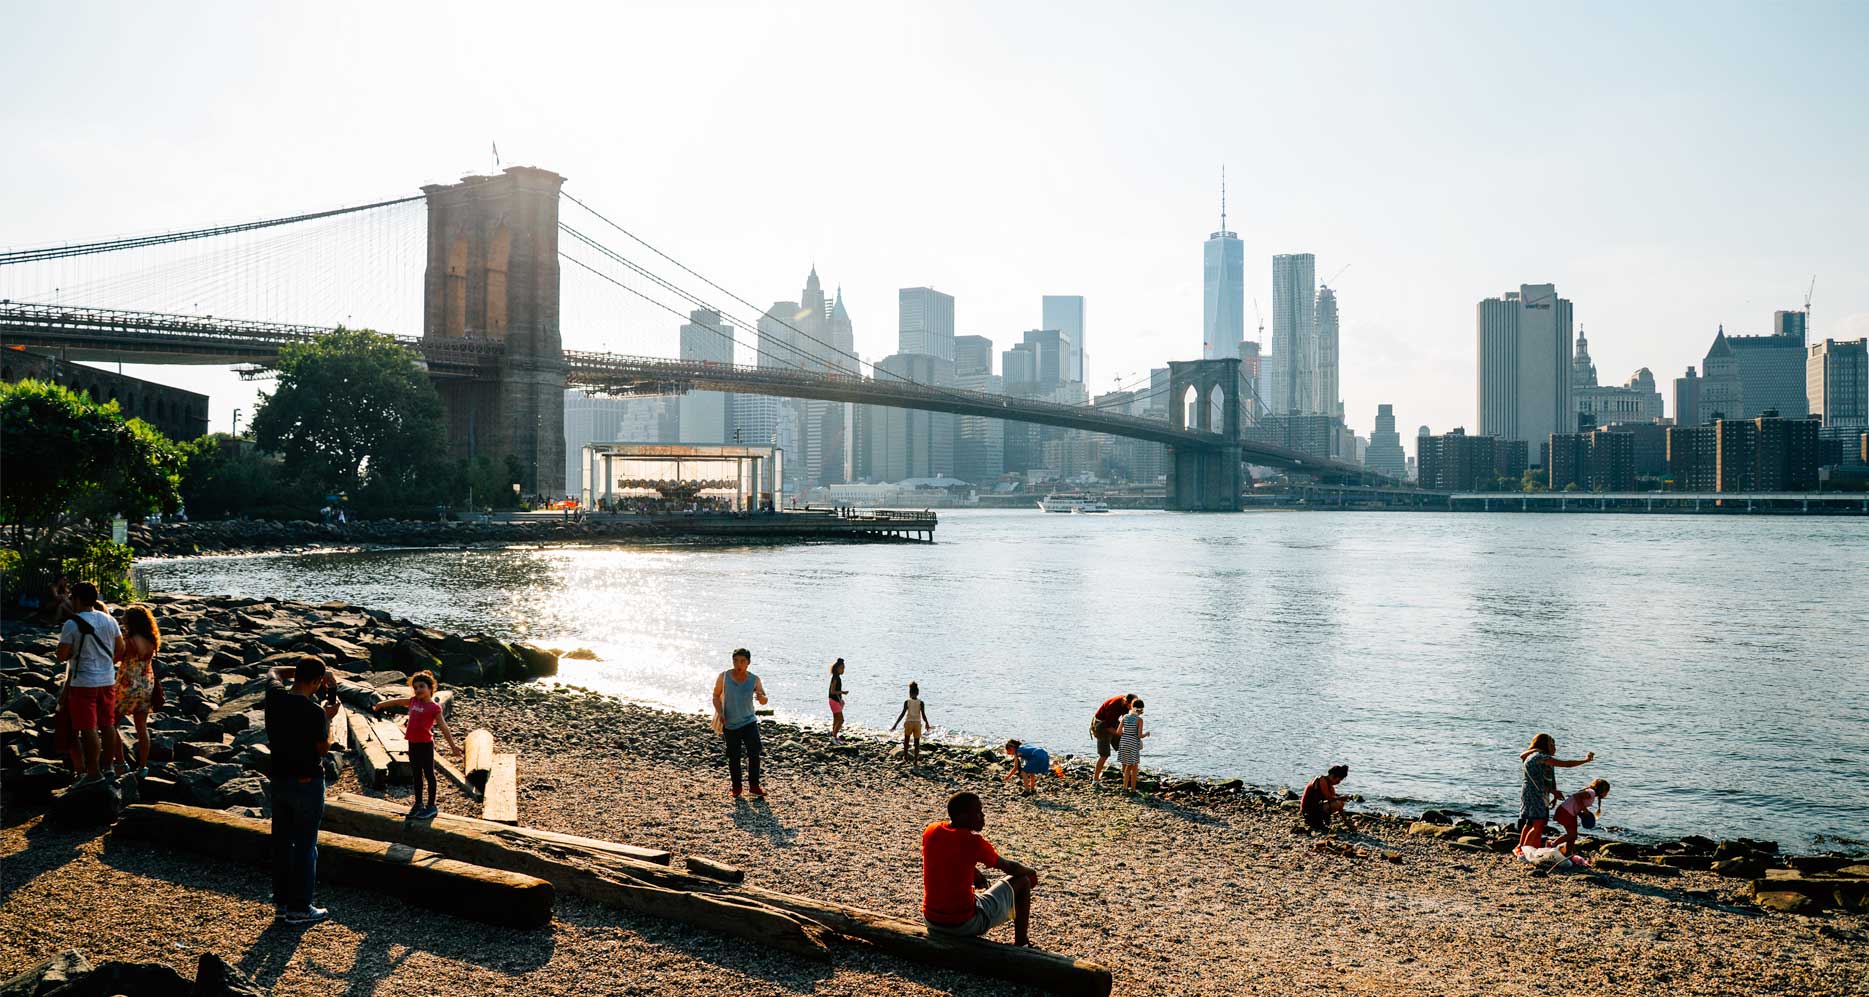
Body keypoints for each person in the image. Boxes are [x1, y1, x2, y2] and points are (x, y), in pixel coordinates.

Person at [266, 654, 339, 925]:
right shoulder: (315, 712)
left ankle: (283, 902)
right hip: (307, 781)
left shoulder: (275, 697)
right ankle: (300, 908)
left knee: (283, 841)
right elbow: (322, 749)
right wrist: (329, 718)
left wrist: (309, 671)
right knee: (306, 845)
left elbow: (273, 670)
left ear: (296, 676)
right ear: (318, 682)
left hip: (280, 779)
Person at [921, 791, 1040, 947]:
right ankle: (1021, 943)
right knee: (1023, 881)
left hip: (931, 920)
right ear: (962, 817)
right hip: (962, 924)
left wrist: (975, 873)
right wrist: (1031, 872)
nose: (982, 816)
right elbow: (1010, 868)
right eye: (977, 813)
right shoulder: (974, 842)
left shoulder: (932, 830)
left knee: (976, 885)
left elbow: (949, 858)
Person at [55, 582, 124, 787]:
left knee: (87, 727)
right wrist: (105, 664)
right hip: (107, 679)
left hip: (83, 682)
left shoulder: (72, 624)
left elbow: (61, 655)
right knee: (108, 724)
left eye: (71, 597)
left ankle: (93, 772)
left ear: (76, 599)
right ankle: (109, 767)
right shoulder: (110, 620)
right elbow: (120, 648)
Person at [372, 671, 461, 819]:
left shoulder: (434, 707)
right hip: (412, 744)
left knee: (429, 774)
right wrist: (381, 704)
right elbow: (398, 701)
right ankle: (418, 804)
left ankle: (431, 806)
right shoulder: (414, 701)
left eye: (422, 686)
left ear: (430, 688)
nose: (418, 690)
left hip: (425, 745)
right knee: (417, 775)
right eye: (416, 687)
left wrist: (453, 746)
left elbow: (444, 727)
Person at [109, 605, 162, 776]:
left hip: (127, 685)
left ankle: (120, 762)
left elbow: (114, 660)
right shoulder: (152, 640)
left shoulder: (128, 641)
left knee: (111, 723)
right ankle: (143, 767)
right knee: (141, 727)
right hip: (146, 684)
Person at [1518, 734, 1595, 850]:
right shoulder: (1539, 757)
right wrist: (1585, 760)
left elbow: (1550, 778)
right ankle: (1525, 850)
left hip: (1540, 793)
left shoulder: (1544, 759)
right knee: (1538, 824)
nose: (1555, 747)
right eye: (1552, 744)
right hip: (1535, 794)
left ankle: (1528, 848)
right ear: (1544, 745)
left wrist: (1553, 794)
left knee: (1531, 823)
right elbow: (1567, 764)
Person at [712, 648, 769, 798]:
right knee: (734, 756)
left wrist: (761, 697)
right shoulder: (724, 677)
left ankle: (754, 786)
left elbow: (764, 699)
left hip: (749, 721)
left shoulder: (754, 679)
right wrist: (720, 712)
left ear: (748, 663)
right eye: (736, 660)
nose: (739, 664)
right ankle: (736, 787)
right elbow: (716, 696)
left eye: (742, 661)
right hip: (730, 722)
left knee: (754, 753)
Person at [1552, 779, 1610, 855]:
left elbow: (1576, 804)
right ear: (1603, 790)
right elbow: (1576, 796)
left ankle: (1568, 853)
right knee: (1572, 835)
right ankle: (1553, 844)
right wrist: (1584, 809)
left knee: (1573, 836)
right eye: (1607, 792)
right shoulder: (1591, 793)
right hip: (1566, 812)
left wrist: (1582, 814)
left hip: (1570, 813)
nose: (1607, 794)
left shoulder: (1591, 793)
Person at [1090, 693, 1137, 785]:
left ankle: (1125, 774)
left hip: (1112, 722)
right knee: (1104, 754)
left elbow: (1124, 718)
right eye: (1131, 706)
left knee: (1123, 747)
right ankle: (1095, 781)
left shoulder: (1126, 704)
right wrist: (1120, 734)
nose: (1132, 708)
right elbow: (1107, 726)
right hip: (1101, 725)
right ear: (1125, 702)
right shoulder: (1113, 706)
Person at [1299, 764, 1351, 831]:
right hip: (1307, 809)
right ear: (1332, 776)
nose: (1338, 783)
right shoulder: (1321, 780)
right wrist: (1341, 797)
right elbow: (1328, 797)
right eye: (1338, 781)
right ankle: (1317, 821)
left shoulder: (1330, 787)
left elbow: (1339, 806)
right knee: (1337, 802)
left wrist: (1347, 822)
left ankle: (1320, 820)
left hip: (1315, 807)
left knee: (1339, 803)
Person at [891, 681, 930, 766]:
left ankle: (906, 758)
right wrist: (927, 723)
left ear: (909, 692)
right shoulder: (921, 702)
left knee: (906, 741)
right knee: (917, 743)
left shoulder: (907, 702)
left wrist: (895, 725)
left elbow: (902, 714)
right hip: (917, 723)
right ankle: (915, 761)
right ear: (918, 693)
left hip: (908, 723)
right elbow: (923, 715)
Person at [1117, 698, 1149, 793]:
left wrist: (1126, 734)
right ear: (1141, 709)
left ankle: (1128, 788)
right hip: (1133, 743)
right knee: (1132, 766)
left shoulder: (1125, 717)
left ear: (1131, 706)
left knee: (1130, 766)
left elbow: (1118, 732)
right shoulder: (1139, 720)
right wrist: (1146, 734)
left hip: (1123, 742)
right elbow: (1139, 735)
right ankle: (1130, 789)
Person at [827, 658, 847, 744]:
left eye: (844, 668)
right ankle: (834, 737)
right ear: (837, 668)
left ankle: (834, 736)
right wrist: (842, 692)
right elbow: (832, 691)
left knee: (836, 720)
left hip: (835, 701)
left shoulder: (837, 677)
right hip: (833, 701)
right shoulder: (835, 678)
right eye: (842, 668)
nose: (843, 670)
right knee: (841, 720)